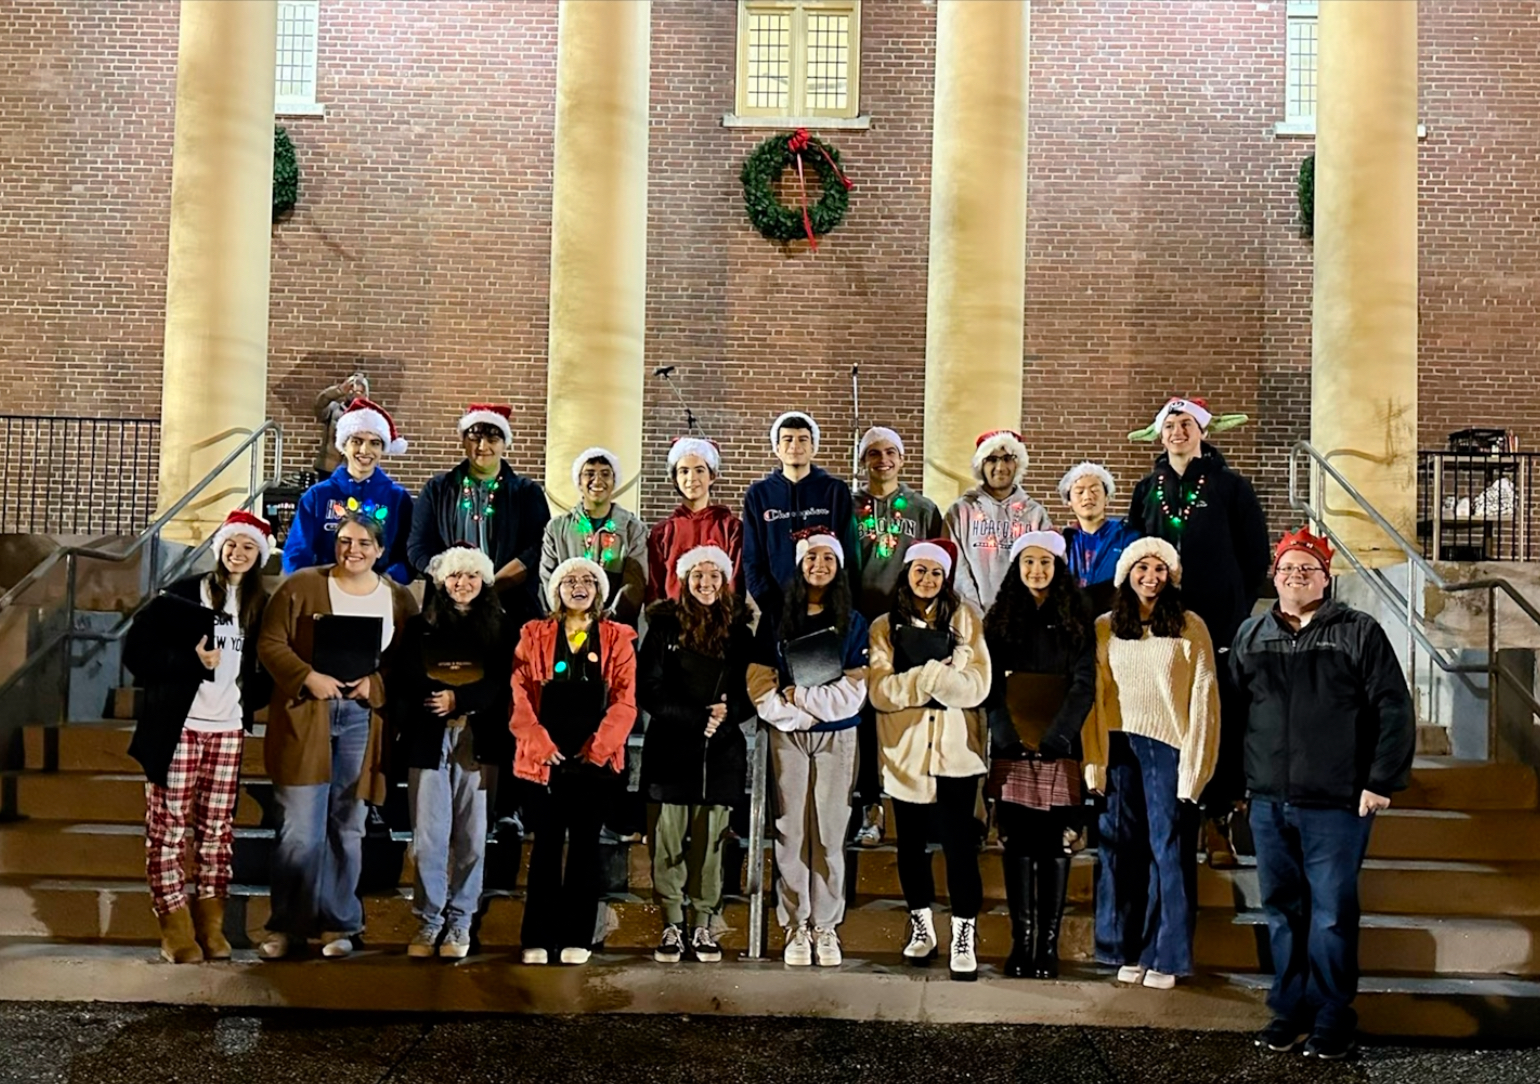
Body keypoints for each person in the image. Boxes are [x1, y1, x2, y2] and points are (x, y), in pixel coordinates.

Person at [1233, 529, 1414, 1060]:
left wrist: (1380, 781)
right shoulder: (1251, 634)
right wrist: (1239, 785)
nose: (1295, 577)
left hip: (1336, 802)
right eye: (1287, 569)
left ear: (1326, 576)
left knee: (1332, 912)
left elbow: (1393, 708)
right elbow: (1237, 711)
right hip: (1269, 799)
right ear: (1274, 577)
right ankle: (1290, 1008)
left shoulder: (1358, 632)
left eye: (1307, 569)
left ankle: (1334, 1013)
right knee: (1283, 910)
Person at [257, 511, 419, 960]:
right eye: (346, 541)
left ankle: (339, 924)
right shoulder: (301, 586)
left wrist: (376, 685)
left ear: (381, 550)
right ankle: (288, 927)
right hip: (306, 715)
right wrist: (307, 677)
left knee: (347, 825)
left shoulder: (397, 598)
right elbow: (271, 642)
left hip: (362, 721)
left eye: (365, 543)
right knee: (299, 830)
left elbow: (408, 660)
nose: (354, 550)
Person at [124, 510, 274, 964]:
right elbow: (137, 654)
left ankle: (210, 926)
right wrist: (190, 662)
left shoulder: (258, 605)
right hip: (180, 727)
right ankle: (174, 928)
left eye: (249, 547)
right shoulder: (183, 594)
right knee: (168, 832)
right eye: (232, 544)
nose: (239, 553)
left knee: (216, 834)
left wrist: (251, 697)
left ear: (259, 556)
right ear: (220, 546)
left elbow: (262, 665)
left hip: (228, 728)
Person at [1126, 397, 1268, 868]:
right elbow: (1136, 553)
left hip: (1218, 623)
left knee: (1217, 719)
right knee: (1164, 718)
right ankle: (1166, 817)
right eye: (1169, 425)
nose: (1177, 432)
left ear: (1202, 431)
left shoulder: (1231, 488)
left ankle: (1217, 816)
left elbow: (1254, 557)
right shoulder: (1147, 489)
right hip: (1161, 627)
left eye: (1186, 424)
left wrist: (1234, 608)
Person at [1081, 537, 1220, 990]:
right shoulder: (1105, 626)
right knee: (1120, 851)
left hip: (1169, 746)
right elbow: (1096, 699)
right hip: (1118, 744)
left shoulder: (1189, 625)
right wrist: (1094, 760)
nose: (1150, 577)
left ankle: (1165, 953)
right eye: (1141, 568)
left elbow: (1204, 697)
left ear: (1172, 576)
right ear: (1126, 574)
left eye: (1159, 569)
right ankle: (1123, 947)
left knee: (1169, 852)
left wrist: (1196, 767)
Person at [867, 539, 989, 979]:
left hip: (957, 753)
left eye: (936, 573)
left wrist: (920, 677)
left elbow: (977, 685)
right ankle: (921, 923)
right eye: (920, 571)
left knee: (960, 848)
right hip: (906, 752)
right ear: (907, 573)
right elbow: (881, 692)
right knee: (911, 847)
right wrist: (939, 674)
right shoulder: (884, 625)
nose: (927, 579)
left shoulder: (965, 619)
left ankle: (963, 931)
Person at [747, 530, 869, 967]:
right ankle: (797, 923)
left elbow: (855, 688)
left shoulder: (852, 620)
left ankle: (826, 925)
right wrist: (794, 714)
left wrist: (804, 702)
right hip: (788, 735)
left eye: (828, 558)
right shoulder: (777, 614)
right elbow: (760, 680)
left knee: (831, 830)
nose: (820, 565)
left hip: (838, 734)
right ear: (799, 565)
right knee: (791, 829)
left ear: (839, 566)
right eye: (811, 558)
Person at [510, 555, 639, 966]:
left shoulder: (617, 637)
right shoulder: (533, 634)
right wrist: (540, 744)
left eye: (587, 579)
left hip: (594, 761)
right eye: (570, 579)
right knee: (545, 849)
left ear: (599, 590)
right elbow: (519, 696)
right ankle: (537, 936)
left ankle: (577, 936)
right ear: (556, 590)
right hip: (543, 760)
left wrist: (598, 749)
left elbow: (625, 699)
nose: (578, 585)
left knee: (585, 849)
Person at [981, 531, 1095, 980]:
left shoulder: (1077, 616)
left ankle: (1047, 945)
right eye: (1028, 562)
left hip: (1059, 745)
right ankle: (1020, 943)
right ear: (1017, 566)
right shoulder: (1002, 616)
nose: (1037, 571)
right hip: (1012, 744)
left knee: (1053, 843)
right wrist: (1004, 734)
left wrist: (1060, 735)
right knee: (1017, 843)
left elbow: (1084, 681)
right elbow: (989, 682)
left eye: (1045, 563)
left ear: (1058, 567)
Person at [392, 544, 512, 960]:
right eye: (455, 577)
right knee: (428, 837)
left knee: (472, 837)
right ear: (442, 582)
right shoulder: (419, 625)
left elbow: (502, 681)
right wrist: (435, 701)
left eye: (472, 576)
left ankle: (460, 920)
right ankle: (429, 920)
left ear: (484, 582)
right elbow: (406, 678)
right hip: (429, 738)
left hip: (477, 740)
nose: (463, 584)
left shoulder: (499, 627)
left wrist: (459, 701)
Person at [637, 545, 754, 964]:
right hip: (671, 750)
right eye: (698, 576)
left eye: (714, 576)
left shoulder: (740, 632)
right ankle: (672, 922)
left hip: (720, 754)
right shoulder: (664, 627)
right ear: (685, 581)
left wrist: (730, 712)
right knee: (667, 842)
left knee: (710, 845)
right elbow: (647, 687)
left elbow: (751, 688)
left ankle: (703, 923)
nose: (706, 584)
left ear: (725, 582)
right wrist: (692, 718)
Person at [851, 426, 944, 847]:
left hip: (906, 625)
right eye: (872, 453)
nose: (882, 460)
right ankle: (870, 804)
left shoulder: (923, 509)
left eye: (890, 452)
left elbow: (937, 566)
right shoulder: (848, 508)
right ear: (863, 461)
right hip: (859, 624)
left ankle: (914, 804)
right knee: (867, 717)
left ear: (903, 459)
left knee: (908, 713)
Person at [407, 403, 550, 625]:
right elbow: (418, 548)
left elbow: (536, 549)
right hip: (447, 611)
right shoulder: (436, 490)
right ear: (463, 440)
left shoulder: (527, 492)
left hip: (511, 609)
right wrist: (455, 584)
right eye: (475, 438)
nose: (483, 446)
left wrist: (489, 588)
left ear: (504, 444)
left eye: (492, 439)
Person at [741, 412, 859, 625]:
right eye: (788, 439)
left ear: (813, 447)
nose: (795, 445)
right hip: (777, 609)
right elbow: (752, 558)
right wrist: (771, 604)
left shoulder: (835, 491)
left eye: (803, 439)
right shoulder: (758, 495)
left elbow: (849, 553)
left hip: (828, 608)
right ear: (776, 447)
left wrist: (838, 600)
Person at [283, 397, 415, 585]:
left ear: (383, 448)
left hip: (378, 593)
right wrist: (309, 586)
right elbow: (296, 552)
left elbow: (407, 554)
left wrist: (387, 582)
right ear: (344, 445)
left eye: (374, 443)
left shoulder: (397, 498)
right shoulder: (317, 496)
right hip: (323, 592)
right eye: (357, 441)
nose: (365, 450)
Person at [944, 429, 1052, 614]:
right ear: (980, 465)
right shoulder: (960, 511)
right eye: (992, 459)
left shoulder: (1035, 513)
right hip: (970, 616)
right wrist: (972, 611)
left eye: (1007, 458)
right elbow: (956, 566)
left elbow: (1046, 566)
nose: (1000, 467)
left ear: (1017, 464)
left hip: (1022, 618)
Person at [539, 447, 648, 628]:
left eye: (605, 474)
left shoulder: (632, 529)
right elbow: (548, 578)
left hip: (616, 630)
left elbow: (635, 583)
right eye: (589, 474)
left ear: (614, 481)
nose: (597, 480)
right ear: (579, 481)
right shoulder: (557, 528)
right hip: (568, 627)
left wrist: (608, 620)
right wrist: (569, 616)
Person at [647, 437, 744, 603]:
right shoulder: (662, 532)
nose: (691, 478)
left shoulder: (731, 528)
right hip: (674, 623)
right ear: (674, 478)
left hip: (720, 622)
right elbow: (655, 588)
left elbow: (735, 582)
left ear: (712, 475)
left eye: (699, 470)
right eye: (684, 471)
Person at [1058, 461, 1141, 616]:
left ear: (1107, 497)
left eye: (1095, 490)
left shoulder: (1127, 536)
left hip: (1116, 619)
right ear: (1068, 501)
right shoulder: (1063, 541)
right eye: (1079, 491)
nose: (1087, 496)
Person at [313, 372, 369, 474]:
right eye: (350, 390)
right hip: (328, 469)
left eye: (358, 391)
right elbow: (319, 404)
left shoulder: (369, 416)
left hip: (355, 471)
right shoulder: (333, 408)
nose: (353, 393)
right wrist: (338, 390)